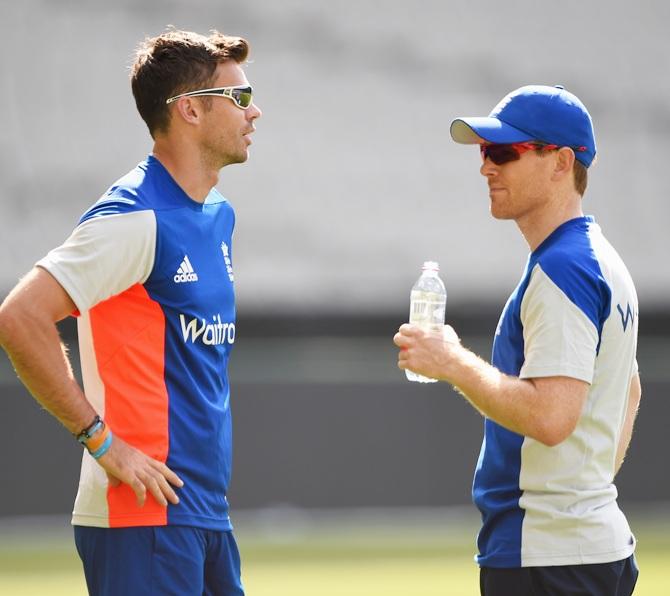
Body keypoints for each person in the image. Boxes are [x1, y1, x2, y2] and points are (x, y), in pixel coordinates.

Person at [0, 28, 261, 595]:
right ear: (189, 110)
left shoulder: (218, 215)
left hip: (203, 513)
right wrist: (100, 440)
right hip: (141, 519)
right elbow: (19, 317)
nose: (255, 111)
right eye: (239, 98)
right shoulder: (132, 217)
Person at [394, 85, 640, 595]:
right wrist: (585, 494)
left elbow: (550, 418)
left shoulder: (563, 267)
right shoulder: (600, 259)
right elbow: (629, 388)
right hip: (589, 548)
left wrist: (451, 360)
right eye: (486, 152)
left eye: (504, 152)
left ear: (561, 162)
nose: (486, 167)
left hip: (547, 559)